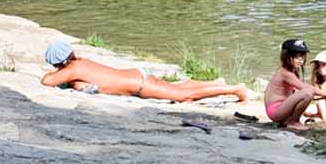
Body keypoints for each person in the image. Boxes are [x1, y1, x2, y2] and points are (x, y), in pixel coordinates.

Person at [40, 41, 255, 103]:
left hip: (140, 86)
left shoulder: (71, 69)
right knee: (176, 87)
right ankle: (217, 82)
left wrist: (64, 79)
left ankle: (234, 90)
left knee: (182, 95)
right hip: (136, 75)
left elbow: (48, 82)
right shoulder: (82, 63)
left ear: (58, 63)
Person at [264, 39, 316, 131]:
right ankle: (294, 122)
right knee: (308, 93)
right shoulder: (285, 73)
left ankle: (288, 120)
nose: (300, 59)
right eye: (296, 56)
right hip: (276, 110)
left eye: (302, 56)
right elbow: (306, 88)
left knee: (308, 92)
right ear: (286, 56)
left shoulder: (292, 71)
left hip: (281, 109)